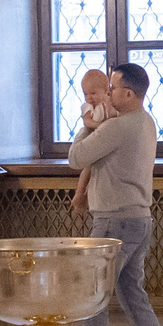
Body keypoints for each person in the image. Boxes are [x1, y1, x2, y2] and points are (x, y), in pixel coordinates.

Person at [67, 62, 163, 326]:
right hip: (139, 220)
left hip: (114, 221)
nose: (110, 93)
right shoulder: (146, 122)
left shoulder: (118, 128)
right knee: (133, 296)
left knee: (93, 296)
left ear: (128, 94)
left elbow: (76, 157)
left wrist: (86, 127)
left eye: (113, 88)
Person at [68, 67, 111, 216]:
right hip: (93, 138)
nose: (89, 98)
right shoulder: (88, 107)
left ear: (106, 90)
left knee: (99, 170)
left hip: (106, 143)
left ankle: (86, 196)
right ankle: (80, 194)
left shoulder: (109, 102)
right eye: (85, 94)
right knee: (88, 169)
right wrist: (100, 126)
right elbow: (87, 122)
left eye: (93, 93)